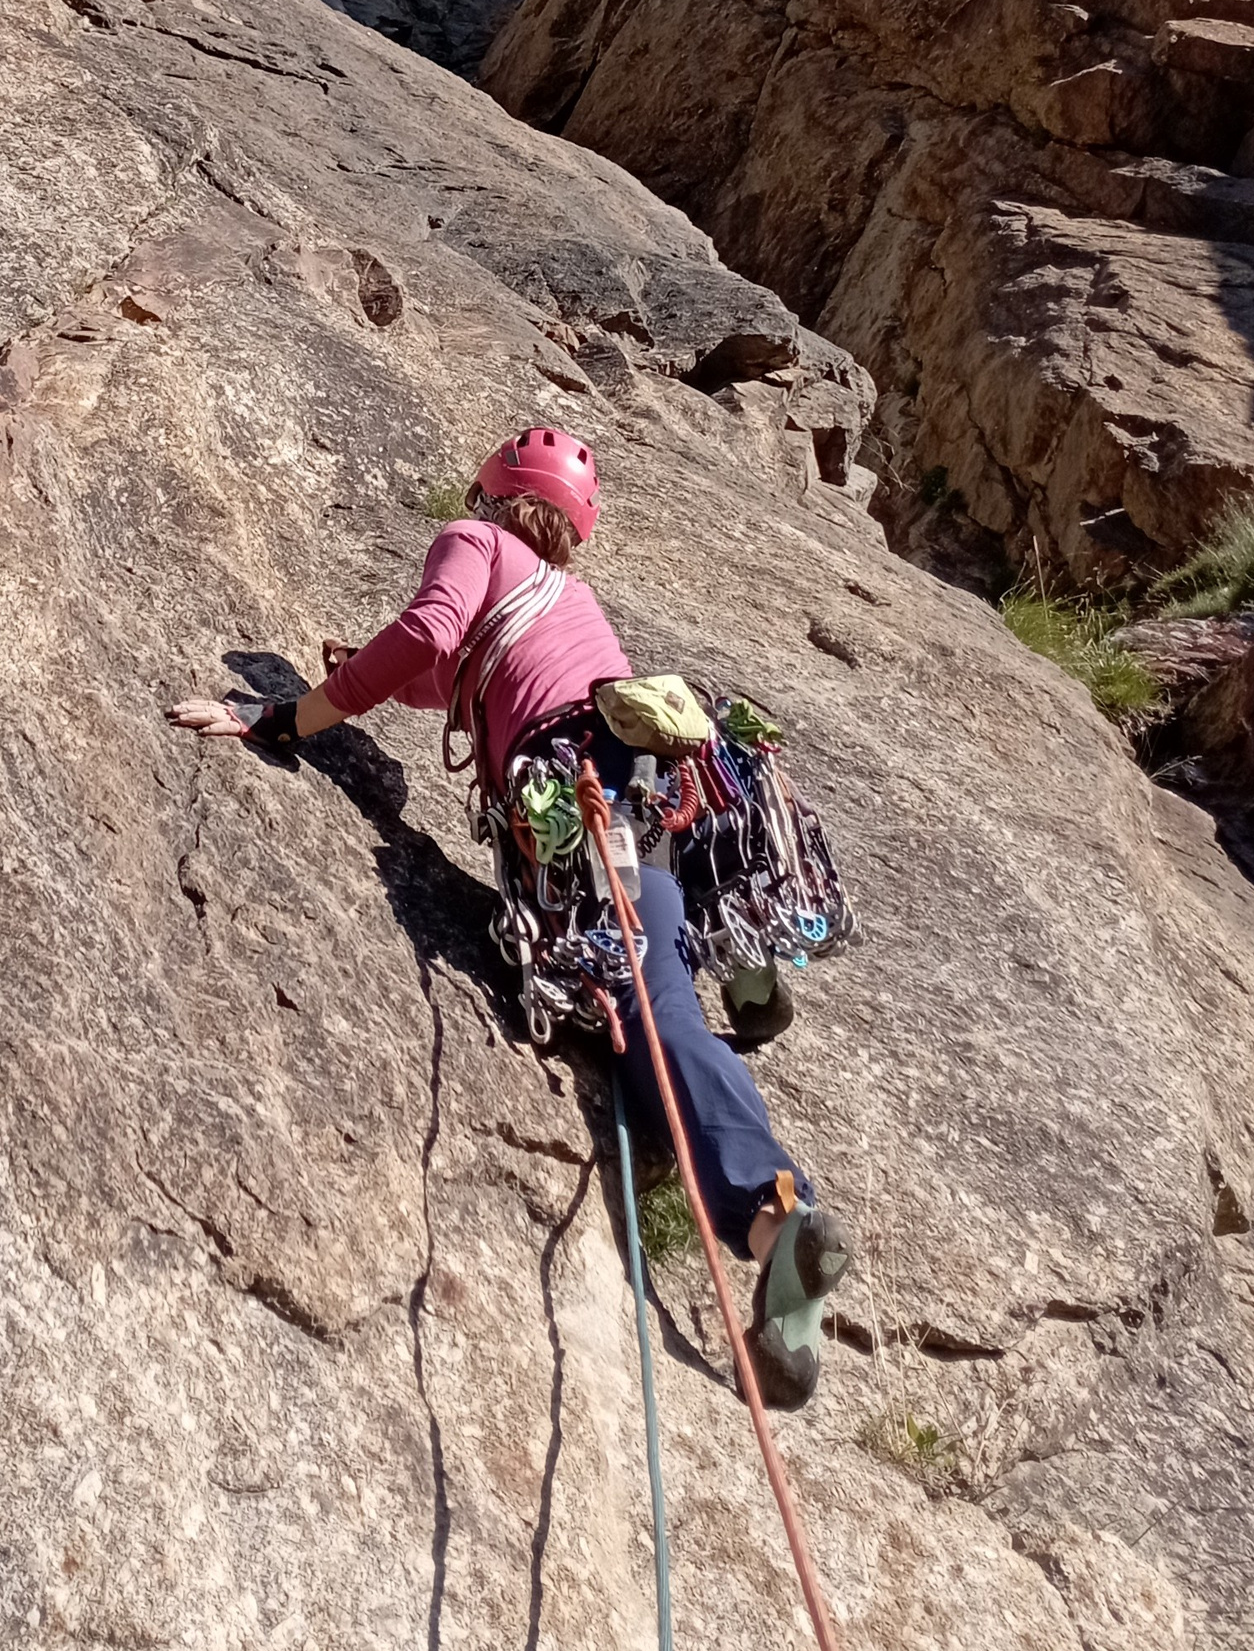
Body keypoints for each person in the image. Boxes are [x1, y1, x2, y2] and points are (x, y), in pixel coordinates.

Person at [170, 426, 851, 1407]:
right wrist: (361, 666)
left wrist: (285, 717)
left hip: (574, 796)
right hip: (642, 783)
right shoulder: (566, 597)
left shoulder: (473, 538)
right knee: (648, 976)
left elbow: (427, 635)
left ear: (493, 493)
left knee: (641, 1009)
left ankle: (774, 1210)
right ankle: (748, 1015)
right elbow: (435, 674)